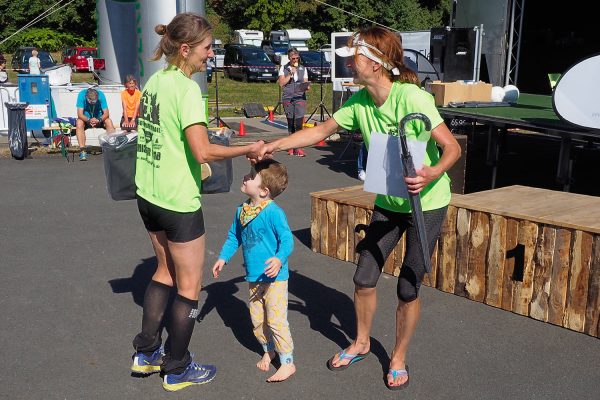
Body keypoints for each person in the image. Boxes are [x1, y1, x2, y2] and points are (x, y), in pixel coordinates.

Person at [260, 26, 461, 390]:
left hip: (426, 204)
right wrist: (276, 144)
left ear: (375, 63)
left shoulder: (412, 98)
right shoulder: (359, 104)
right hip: (389, 202)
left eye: (355, 57)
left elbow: (452, 149)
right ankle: (362, 342)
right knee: (364, 277)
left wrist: (431, 173)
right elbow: (319, 132)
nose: (350, 64)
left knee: (407, 287)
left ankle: (398, 356)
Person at [130, 13, 264, 392]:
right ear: (186, 49)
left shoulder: (156, 81)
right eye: (207, 48)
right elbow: (202, 150)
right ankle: (176, 367)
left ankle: (146, 353)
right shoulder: (188, 90)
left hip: (148, 193)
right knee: (190, 286)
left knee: (163, 272)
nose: (211, 54)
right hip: (176, 200)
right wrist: (248, 147)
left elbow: (163, 135)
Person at [212, 159, 296, 382]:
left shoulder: (273, 213)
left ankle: (287, 361)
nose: (245, 177)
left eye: (251, 176)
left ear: (264, 190)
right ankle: (268, 349)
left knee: (277, 320)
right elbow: (234, 237)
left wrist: (279, 259)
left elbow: (287, 240)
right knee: (258, 320)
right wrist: (223, 258)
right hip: (254, 277)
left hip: (275, 277)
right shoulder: (242, 210)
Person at [278, 47, 310, 157]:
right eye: (293, 58)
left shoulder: (303, 68)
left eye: (297, 58)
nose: (295, 60)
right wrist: (290, 74)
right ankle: (291, 147)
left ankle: (298, 147)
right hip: (288, 98)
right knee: (291, 123)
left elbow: (305, 82)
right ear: (289, 58)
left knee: (299, 123)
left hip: (300, 98)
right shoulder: (284, 68)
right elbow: (281, 83)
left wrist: (307, 87)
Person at [75, 87, 115, 161]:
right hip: (86, 119)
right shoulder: (81, 95)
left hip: (99, 119)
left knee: (109, 121)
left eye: (94, 101)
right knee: (79, 122)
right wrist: (89, 120)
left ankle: (112, 149)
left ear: (97, 97)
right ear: (86, 97)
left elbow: (106, 113)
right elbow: (80, 114)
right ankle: (83, 150)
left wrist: (99, 120)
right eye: (90, 101)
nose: (92, 103)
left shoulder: (101, 95)